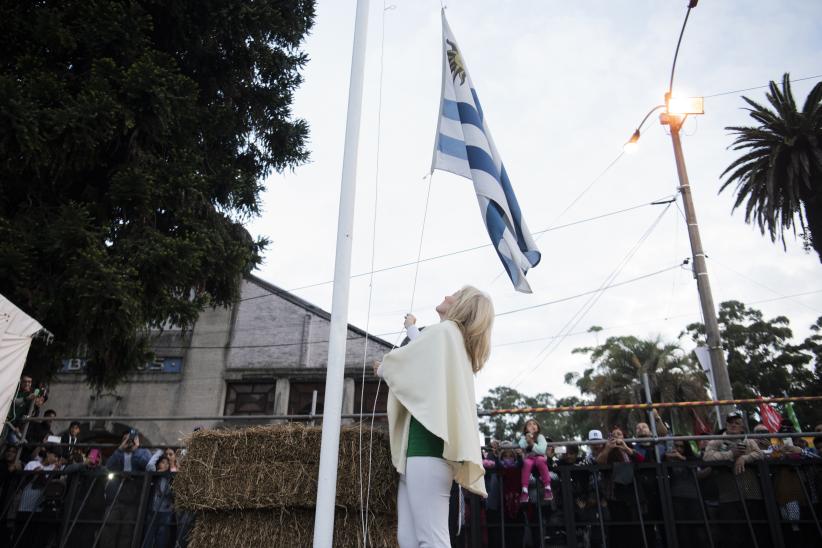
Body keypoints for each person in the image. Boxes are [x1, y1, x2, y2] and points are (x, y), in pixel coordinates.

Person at [375, 286, 493, 547]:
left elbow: (408, 361)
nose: (447, 295)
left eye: (455, 294)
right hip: (420, 452)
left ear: (461, 305)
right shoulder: (449, 339)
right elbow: (421, 359)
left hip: (426, 450)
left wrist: (385, 367)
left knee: (431, 539)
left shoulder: (446, 333)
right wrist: (411, 330)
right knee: (409, 538)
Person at [703, 410, 764, 548]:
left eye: (737, 423)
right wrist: (730, 454)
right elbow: (707, 457)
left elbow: (760, 454)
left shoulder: (749, 441)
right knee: (734, 535)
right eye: (730, 422)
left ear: (742, 427)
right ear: (726, 425)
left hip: (751, 494)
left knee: (755, 533)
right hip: (728, 496)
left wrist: (744, 458)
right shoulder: (716, 441)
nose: (734, 425)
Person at [517, 418, 554, 502]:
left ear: (538, 427)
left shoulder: (540, 437)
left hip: (539, 457)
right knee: (526, 463)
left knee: (541, 460)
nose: (532, 426)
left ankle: (547, 487)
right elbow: (521, 445)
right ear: (526, 429)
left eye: (534, 424)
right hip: (529, 458)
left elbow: (541, 450)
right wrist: (527, 439)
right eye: (529, 424)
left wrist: (532, 443)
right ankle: (524, 490)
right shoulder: (523, 437)